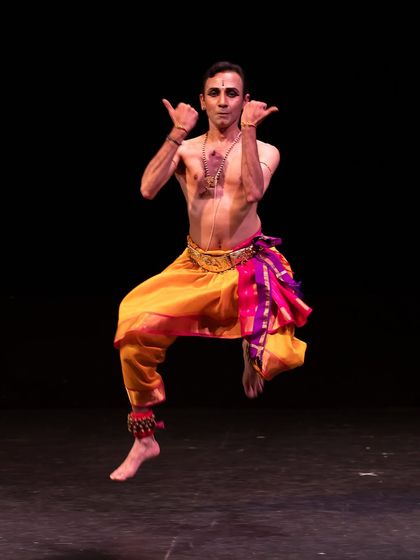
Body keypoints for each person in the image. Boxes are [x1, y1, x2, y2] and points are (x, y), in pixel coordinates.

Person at [110, 61, 312, 481]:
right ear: (202, 101)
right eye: (214, 93)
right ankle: (144, 437)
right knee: (132, 322)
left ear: (245, 101)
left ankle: (251, 345)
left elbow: (253, 192)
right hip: (195, 264)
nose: (223, 101)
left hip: (248, 267)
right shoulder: (186, 149)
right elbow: (147, 189)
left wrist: (250, 129)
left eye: (232, 93)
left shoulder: (266, 149)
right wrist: (176, 132)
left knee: (277, 358)